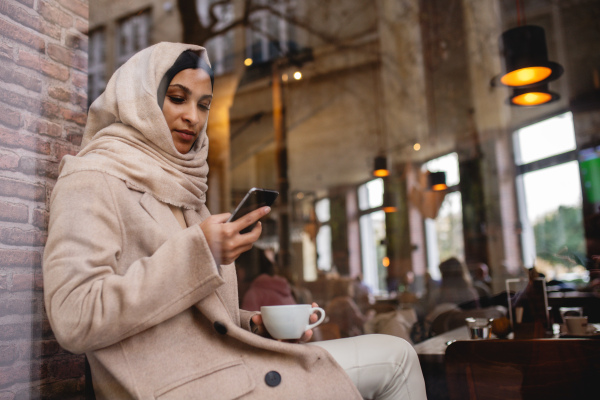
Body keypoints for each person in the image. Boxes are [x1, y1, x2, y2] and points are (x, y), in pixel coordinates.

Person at [43, 42, 426, 400]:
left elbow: (196, 320)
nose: (192, 116)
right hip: (175, 387)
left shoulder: (186, 189)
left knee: (396, 352)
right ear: (139, 98)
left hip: (223, 370)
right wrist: (200, 252)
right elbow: (75, 315)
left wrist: (252, 324)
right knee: (395, 357)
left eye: (204, 104)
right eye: (177, 98)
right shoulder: (92, 176)